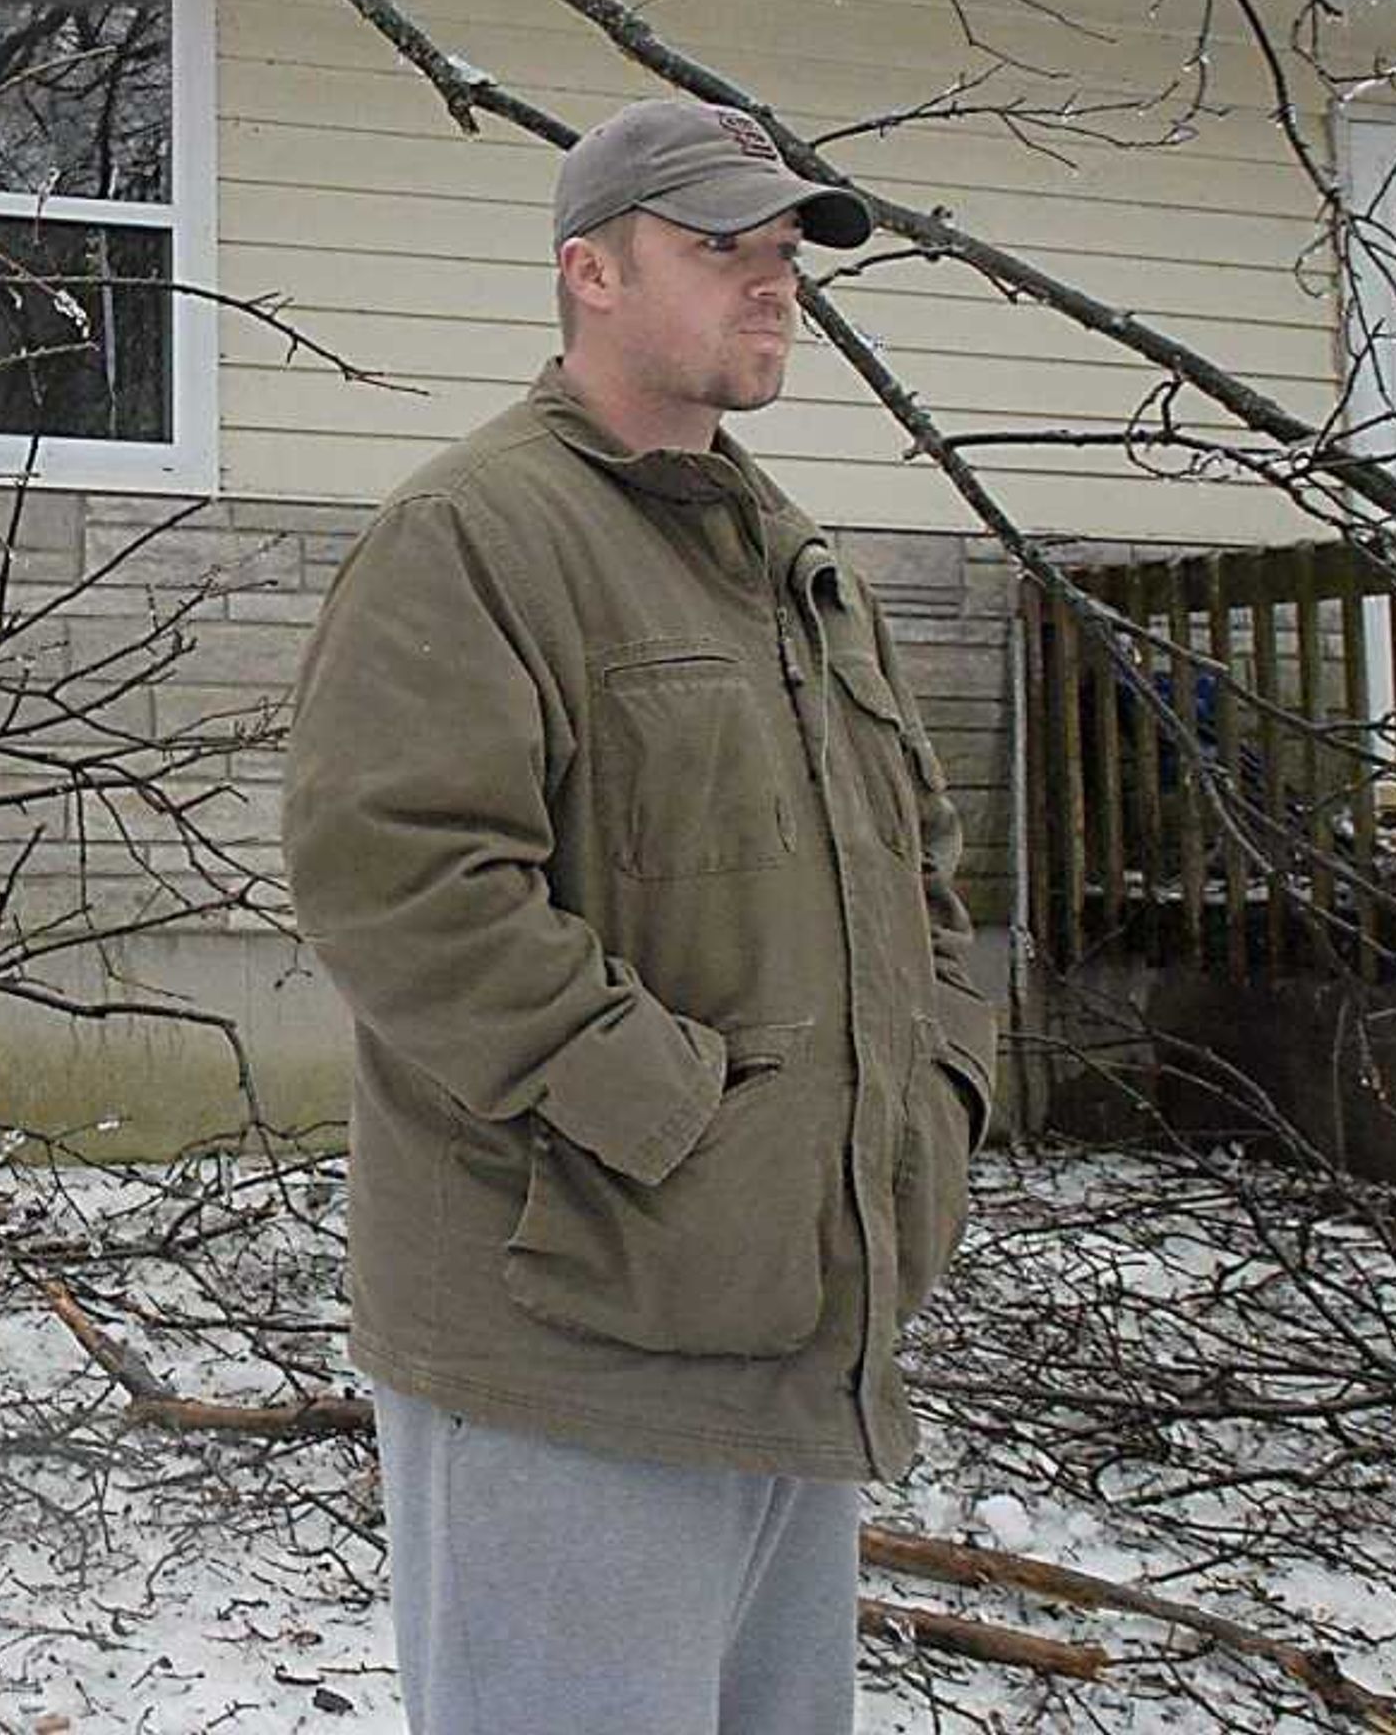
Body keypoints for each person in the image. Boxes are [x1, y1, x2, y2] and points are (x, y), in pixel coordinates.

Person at [280, 98, 1001, 1734]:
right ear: (590, 273)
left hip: (790, 1326)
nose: (773, 288)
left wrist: (935, 1099)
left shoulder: (795, 562)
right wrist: (671, 1117)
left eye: (784, 257)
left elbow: (922, 872)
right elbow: (402, 884)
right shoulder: (474, 536)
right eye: (721, 250)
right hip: (572, 1333)